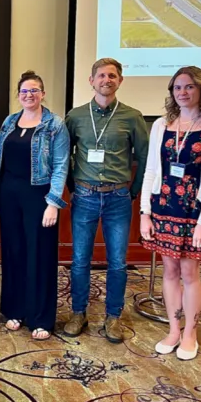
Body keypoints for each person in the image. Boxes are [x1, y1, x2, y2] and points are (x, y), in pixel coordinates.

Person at [140, 66, 201, 361]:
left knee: (190, 273)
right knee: (169, 271)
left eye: (189, 87)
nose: (183, 92)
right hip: (164, 207)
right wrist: (145, 212)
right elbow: (151, 170)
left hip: (195, 211)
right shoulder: (161, 125)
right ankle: (174, 329)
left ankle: (190, 332)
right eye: (177, 87)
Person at [63, 58, 149, 343]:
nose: (107, 80)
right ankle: (78, 312)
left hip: (118, 199)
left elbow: (145, 158)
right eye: (101, 75)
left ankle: (113, 317)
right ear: (91, 81)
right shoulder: (75, 116)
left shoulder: (132, 117)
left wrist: (133, 191)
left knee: (117, 263)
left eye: (112, 76)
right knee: (79, 261)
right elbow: (64, 156)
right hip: (85, 197)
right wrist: (72, 187)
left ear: (120, 81)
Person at [0, 71, 70, 340]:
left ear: (43, 94)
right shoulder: (10, 122)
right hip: (9, 195)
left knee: (40, 255)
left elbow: (61, 166)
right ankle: (15, 310)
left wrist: (53, 203)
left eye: (34, 90)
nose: (29, 95)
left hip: (40, 197)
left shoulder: (55, 124)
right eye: (24, 91)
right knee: (14, 252)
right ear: (18, 95)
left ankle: (40, 318)